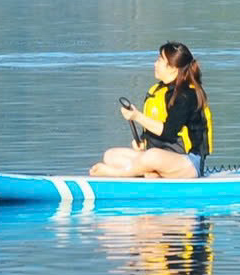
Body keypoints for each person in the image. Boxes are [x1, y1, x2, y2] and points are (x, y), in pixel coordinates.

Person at [91, 42, 213, 180]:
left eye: (160, 60)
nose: (155, 64)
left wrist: (137, 116)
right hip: (161, 157)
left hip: (188, 163)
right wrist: (143, 142)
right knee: (111, 155)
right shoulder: (160, 90)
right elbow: (156, 133)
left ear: (173, 68)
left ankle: (118, 174)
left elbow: (168, 132)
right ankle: (154, 174)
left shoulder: (186, 95)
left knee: (152, 156)